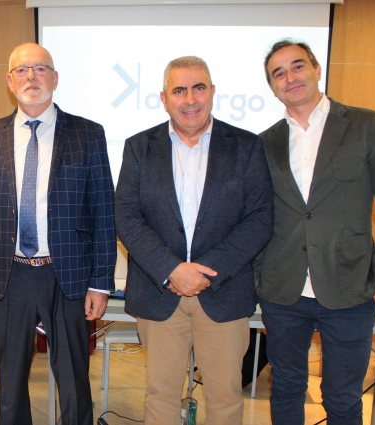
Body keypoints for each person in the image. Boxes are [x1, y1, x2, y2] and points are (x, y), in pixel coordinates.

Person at [255, 39, 375, 425]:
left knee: (342, 399)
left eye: (297, 66)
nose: (290, 77)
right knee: (286, 388)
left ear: (316, 69)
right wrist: (259, 275)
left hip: (350, 290)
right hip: (283, 293)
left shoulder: (366, 125)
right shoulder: (265, 143)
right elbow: (257, 216)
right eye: (279, 73)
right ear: (272, 87)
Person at [115, 56, 273, 425]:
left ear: (213, 92)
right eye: (179, 90)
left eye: (199, 88)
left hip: (223, 292)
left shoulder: (247, 147)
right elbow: (127, 217)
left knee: (225, 398)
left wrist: (206, 272)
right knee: (160, 396)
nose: (190, 99)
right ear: (164, 98)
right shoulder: (139, 147)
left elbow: (260, 219)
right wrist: (171, 270)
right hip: (160, 293)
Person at [0, 43, 116, 425]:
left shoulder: (88, 134)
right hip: (9, 276)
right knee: (9, 385)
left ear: (55, 78)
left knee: (74, 383)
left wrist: (101, 282)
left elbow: (104, 213)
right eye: (21, 70)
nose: (31, 77)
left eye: (40, 68)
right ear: (9, 80)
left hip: (68, 278)